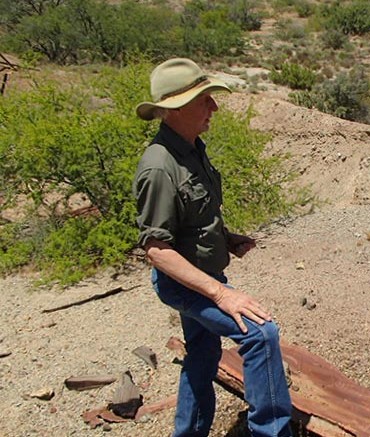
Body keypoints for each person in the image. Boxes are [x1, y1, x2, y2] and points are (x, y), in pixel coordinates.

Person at [132, 58, 293, 437]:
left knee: (202, 355)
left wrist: (226, 238)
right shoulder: (159, 167)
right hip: (185, 285)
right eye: (205, 100)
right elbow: (156, 248)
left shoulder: (192, 148)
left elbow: (193, 218)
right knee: (260, 333)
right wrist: (222, 294)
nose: (214, 108)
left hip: (205, 275)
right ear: (175, 108)